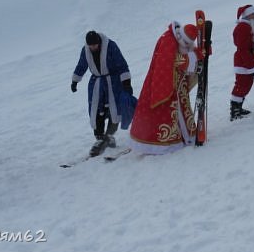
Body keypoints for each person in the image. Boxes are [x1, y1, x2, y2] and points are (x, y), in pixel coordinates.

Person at [130, 21, 201, 154]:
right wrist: (196, 57)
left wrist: (199, 53)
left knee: (180, 109)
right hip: (165, 84)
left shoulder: (178, 40)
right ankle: (158, 144)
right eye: (186, 44)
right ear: (180, 37)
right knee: (164, 112)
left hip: (177, 84)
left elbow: (187, 55)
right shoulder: (167, 41)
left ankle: (186, 136)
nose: (187, 46)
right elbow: (176, 61)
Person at [71, 31, 135, 157]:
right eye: (91, 46)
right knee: (96, 110)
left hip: (113, 82)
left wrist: (126, 83)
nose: (93, 47)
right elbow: (81, 65)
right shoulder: (86, 51)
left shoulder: (111, 46)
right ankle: (100, 137)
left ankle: (110, 135)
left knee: (114, 109)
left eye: (95, 45)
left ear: (99, 42)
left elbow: (121, 64)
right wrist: (75, 81)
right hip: (97, 83)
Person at [230, 5, 254, 120]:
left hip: (248, 60)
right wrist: (249, 65)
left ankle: (238, 108)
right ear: (247, 15)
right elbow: (242, 47)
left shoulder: (250, 25)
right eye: (253, 13)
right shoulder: (242, 27)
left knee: (246, 85)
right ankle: (235, 111)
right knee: (241, 85)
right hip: (244, 61)